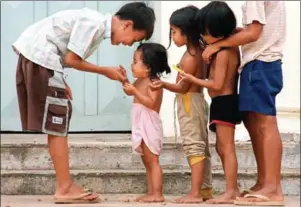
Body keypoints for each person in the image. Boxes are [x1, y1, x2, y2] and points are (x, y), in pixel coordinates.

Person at [13, 2, 155, 204]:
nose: (129, 44)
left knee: (59, 120)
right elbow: (72, 59)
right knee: (57, 122)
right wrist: (106, 71)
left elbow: (65, 54)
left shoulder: (94, 23)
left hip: (42, 59)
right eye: (135, 39)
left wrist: (60, 79)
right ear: (127, 25)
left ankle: (65, 184)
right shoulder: (94, 24)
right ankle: (64, 187)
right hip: (41, 58)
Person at [202, 1, 286, 206]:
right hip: (257, 62)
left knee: (265, 122)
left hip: (262, 61)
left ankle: (273, 189)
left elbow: (253, 33)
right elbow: (250, 30)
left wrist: (219, 43)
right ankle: (264, 182)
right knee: (254, 123)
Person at [179, 1, 241, 204]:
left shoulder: (224, 52)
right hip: (220, 103)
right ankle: (232, 189)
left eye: (204, 32)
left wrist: (192, 79)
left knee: (226, 147)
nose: (202, 38)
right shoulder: (223, 47)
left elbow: (216, 84)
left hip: (224, 102)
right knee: (221, 148)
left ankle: (231, 190)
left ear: (214, 30)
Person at [150, 5, 213, 204]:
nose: (172, 36)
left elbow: (182, 88)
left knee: (194, 146)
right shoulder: (203, 51)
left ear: (187, 32)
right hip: (198, 101)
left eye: (174, 32)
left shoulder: (190, 58)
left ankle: (195, 193)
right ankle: (204, 188)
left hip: (189, 103)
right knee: (202, 147)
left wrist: (163, 84)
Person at [122, 43, 171, 203]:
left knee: (152, 160)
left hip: (149, 123)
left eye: (136, 62)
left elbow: (151, 103)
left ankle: (157, 193)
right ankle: (151, 192)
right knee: (146, 160)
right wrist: (123, 80)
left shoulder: (153, 83)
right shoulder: (140, 80)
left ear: (148, 67)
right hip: (139, 122)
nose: (132, 65)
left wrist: (134, 91)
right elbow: (129, 90)